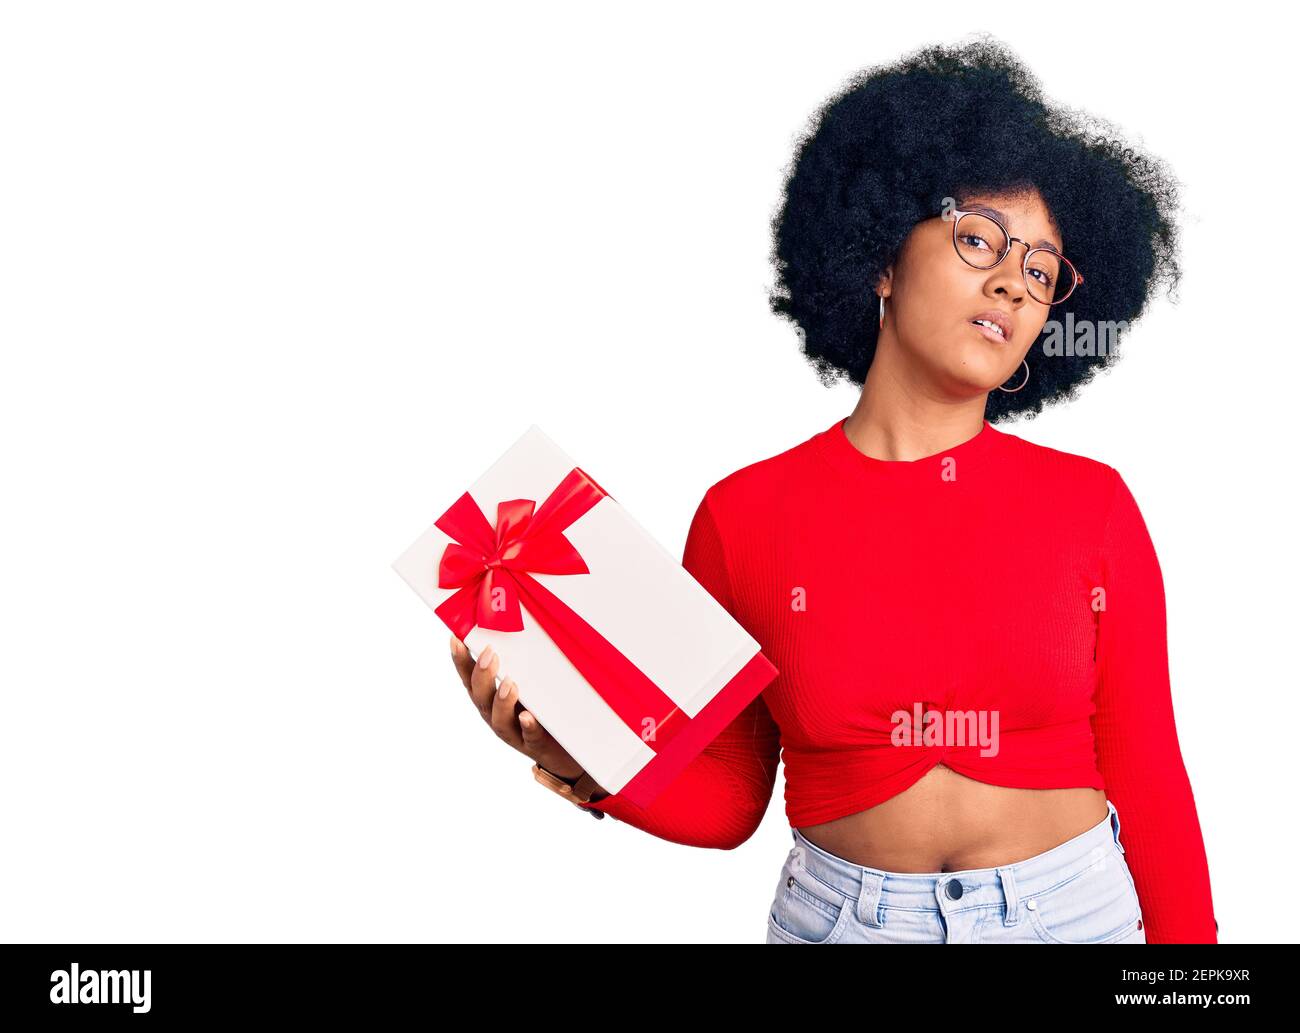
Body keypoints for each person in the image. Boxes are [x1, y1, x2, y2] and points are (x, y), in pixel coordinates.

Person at [448, 35, 1217, 944]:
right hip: (843, 923)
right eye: (979, 238)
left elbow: (1150, 774)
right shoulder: (744, 517)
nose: (1014, 281)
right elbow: (732, 795)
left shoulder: (1094, 507)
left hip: (1074, 917)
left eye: (1042, 272)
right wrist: (585, 761)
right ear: (882, 259)